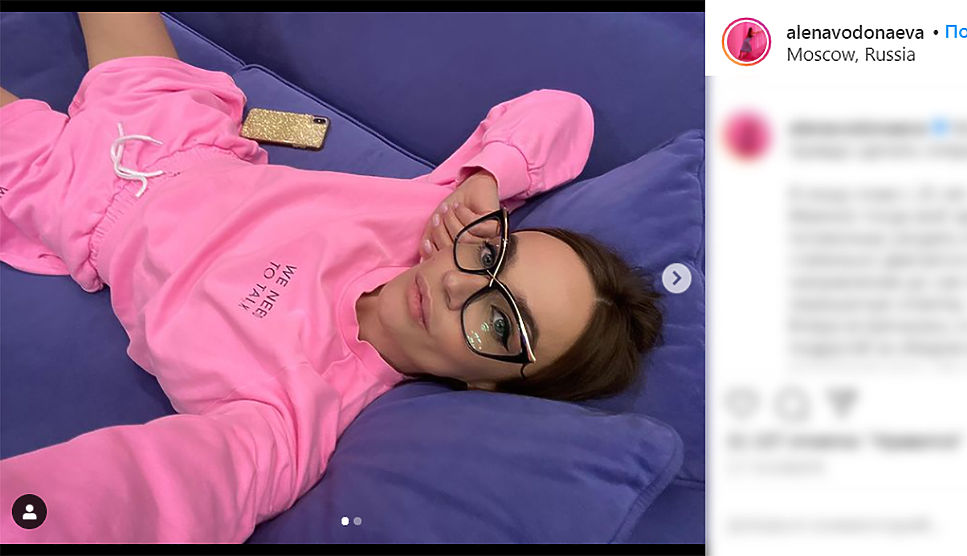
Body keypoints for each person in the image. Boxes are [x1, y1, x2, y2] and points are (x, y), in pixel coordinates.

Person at [0, 13, 663, 542]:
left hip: (70, 196)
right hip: (179, 125)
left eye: (498, 320)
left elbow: (157, 490)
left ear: (490, 385)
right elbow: (561, 113)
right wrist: (490, 179)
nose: (460, 284)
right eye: (494, 255)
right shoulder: (438, 220)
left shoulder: (297, 411)